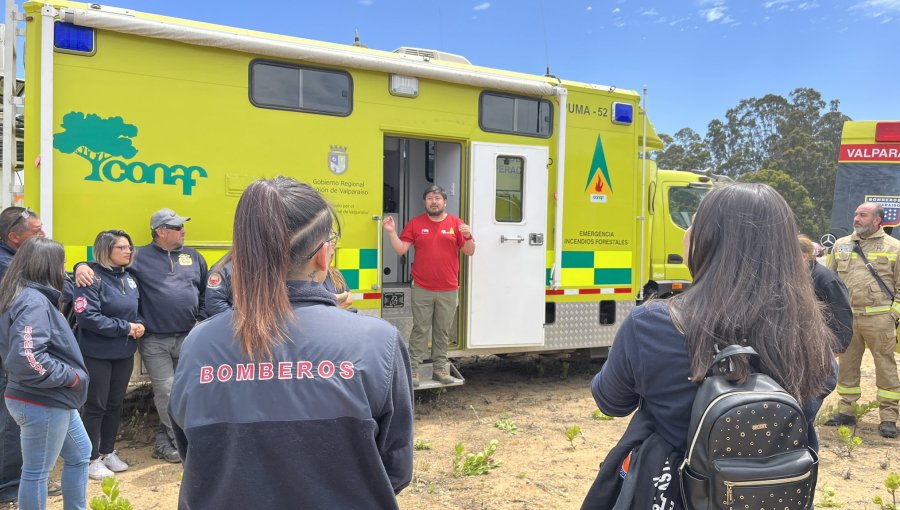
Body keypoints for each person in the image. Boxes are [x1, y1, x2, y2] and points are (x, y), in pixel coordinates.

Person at [169, 177, 413, 509]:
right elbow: (395, 469)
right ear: (324, 255)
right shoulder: (377, 341)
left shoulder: (198, 344)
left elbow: (194, 453)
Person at [583, 184, 835, 505]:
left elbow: (611, 402)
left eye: (694, 224)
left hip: (675, 492)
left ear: (706, 240)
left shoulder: (652, 324)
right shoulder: (810, 332)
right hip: (772, 495)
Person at [75, 208, 207, 462]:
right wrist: (80, 265)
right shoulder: (139, 257)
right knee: (166, 391)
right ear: (160, 231)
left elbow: (204, 291)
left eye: (182, 227)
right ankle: (180, 441)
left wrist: (201, 318)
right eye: (177, 228)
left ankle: (165, 440)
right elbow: (103, 266)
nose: (183, 231)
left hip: (190, 337)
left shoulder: (194, 256)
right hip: (155, 338)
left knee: (187, 390)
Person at [0, 237, 91, 510]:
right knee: (36, 472)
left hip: (50, 398)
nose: (66, 269)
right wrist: (70, 377)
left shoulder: (23, 295)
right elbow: (29, 359)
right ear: (47, 265)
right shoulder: (33, 302)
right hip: (42, 399)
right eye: (62, 263)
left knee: (80, 453)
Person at [382, 185, 474, 387]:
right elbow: (401, 250)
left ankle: (440, 369)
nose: (434, 201)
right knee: (420, 329)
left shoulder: (456, 224)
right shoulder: (415, 224)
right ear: (425, 202)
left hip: (449, 288)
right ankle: (413, 370)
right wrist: (391, 232)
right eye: (430, 198)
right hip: (422, 287)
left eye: (437, 198)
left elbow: (469, 251)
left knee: (442, 330)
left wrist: (468, 236)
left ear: (444, 202)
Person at [73, 230, 145, 480]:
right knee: (96, 405)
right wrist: (126, 328)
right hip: (97, 353)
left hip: (123, 351)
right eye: (121, 248)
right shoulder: (90, 278)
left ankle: (107, 451)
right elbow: (88, 318)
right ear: (105, 250)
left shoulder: (130, 277)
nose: (128, 251)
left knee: (115, 403)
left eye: (129, 247)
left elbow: (137, 309)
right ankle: (90, 458)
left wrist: (140, 323)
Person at [824, 202, 900, 438]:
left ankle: (888, 417)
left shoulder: (894, 247)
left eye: (863, 215)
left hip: (879, 319)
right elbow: (830, 282)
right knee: (847, 366)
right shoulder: (841, 245)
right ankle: (847, 411)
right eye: (856, 214)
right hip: (848, 319)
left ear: (877, 220)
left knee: (885, 367)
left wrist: (893, 314)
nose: (857, 218)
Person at [0, 207, 48, 506]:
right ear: (14, 237)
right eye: (36, 231)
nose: (43, 234)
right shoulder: (7, 267)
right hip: (9, 356)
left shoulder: (15, 259)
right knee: (10, 422)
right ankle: (8, 487)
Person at [205, 252, 352, 316]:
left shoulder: (259, 265)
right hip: (237, 330)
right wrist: (242, 322)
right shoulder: (223, 269)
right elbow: (214, 304)